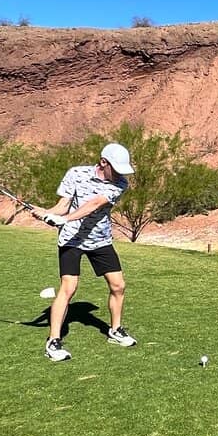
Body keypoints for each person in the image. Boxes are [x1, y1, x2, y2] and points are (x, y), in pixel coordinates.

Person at [31, 142, 137, 361]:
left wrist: (63, 218)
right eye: (115, 169)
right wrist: (46, 213)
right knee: (68, 288)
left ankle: (115, 330)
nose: (120, 174)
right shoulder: (76, 174)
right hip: (71, 239)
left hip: (100, 240)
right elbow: (63, 205)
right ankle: (53, 341)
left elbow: (93, 204)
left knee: (119, 285)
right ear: (103, 162)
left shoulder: (120, 184)